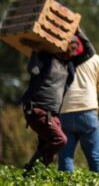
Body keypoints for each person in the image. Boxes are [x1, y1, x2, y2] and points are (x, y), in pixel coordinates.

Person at [21, 37, 80, 174]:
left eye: (75, 48)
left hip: (53, 115)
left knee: (48, 150)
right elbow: (33, 71)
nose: (73, 51)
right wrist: (35, 51)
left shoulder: (69, 66)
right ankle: (31, 171)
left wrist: (77, 30)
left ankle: (31, 177)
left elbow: (89, 51)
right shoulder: (47, 58)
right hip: (37, 110)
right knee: (60, 140)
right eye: (72, 47)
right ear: (62, 46)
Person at [58, 29, 99, 174]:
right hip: (87, 111)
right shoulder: (96, 59)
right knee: (96, 157)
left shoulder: (60, 61)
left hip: (65, 113)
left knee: (65, 158)